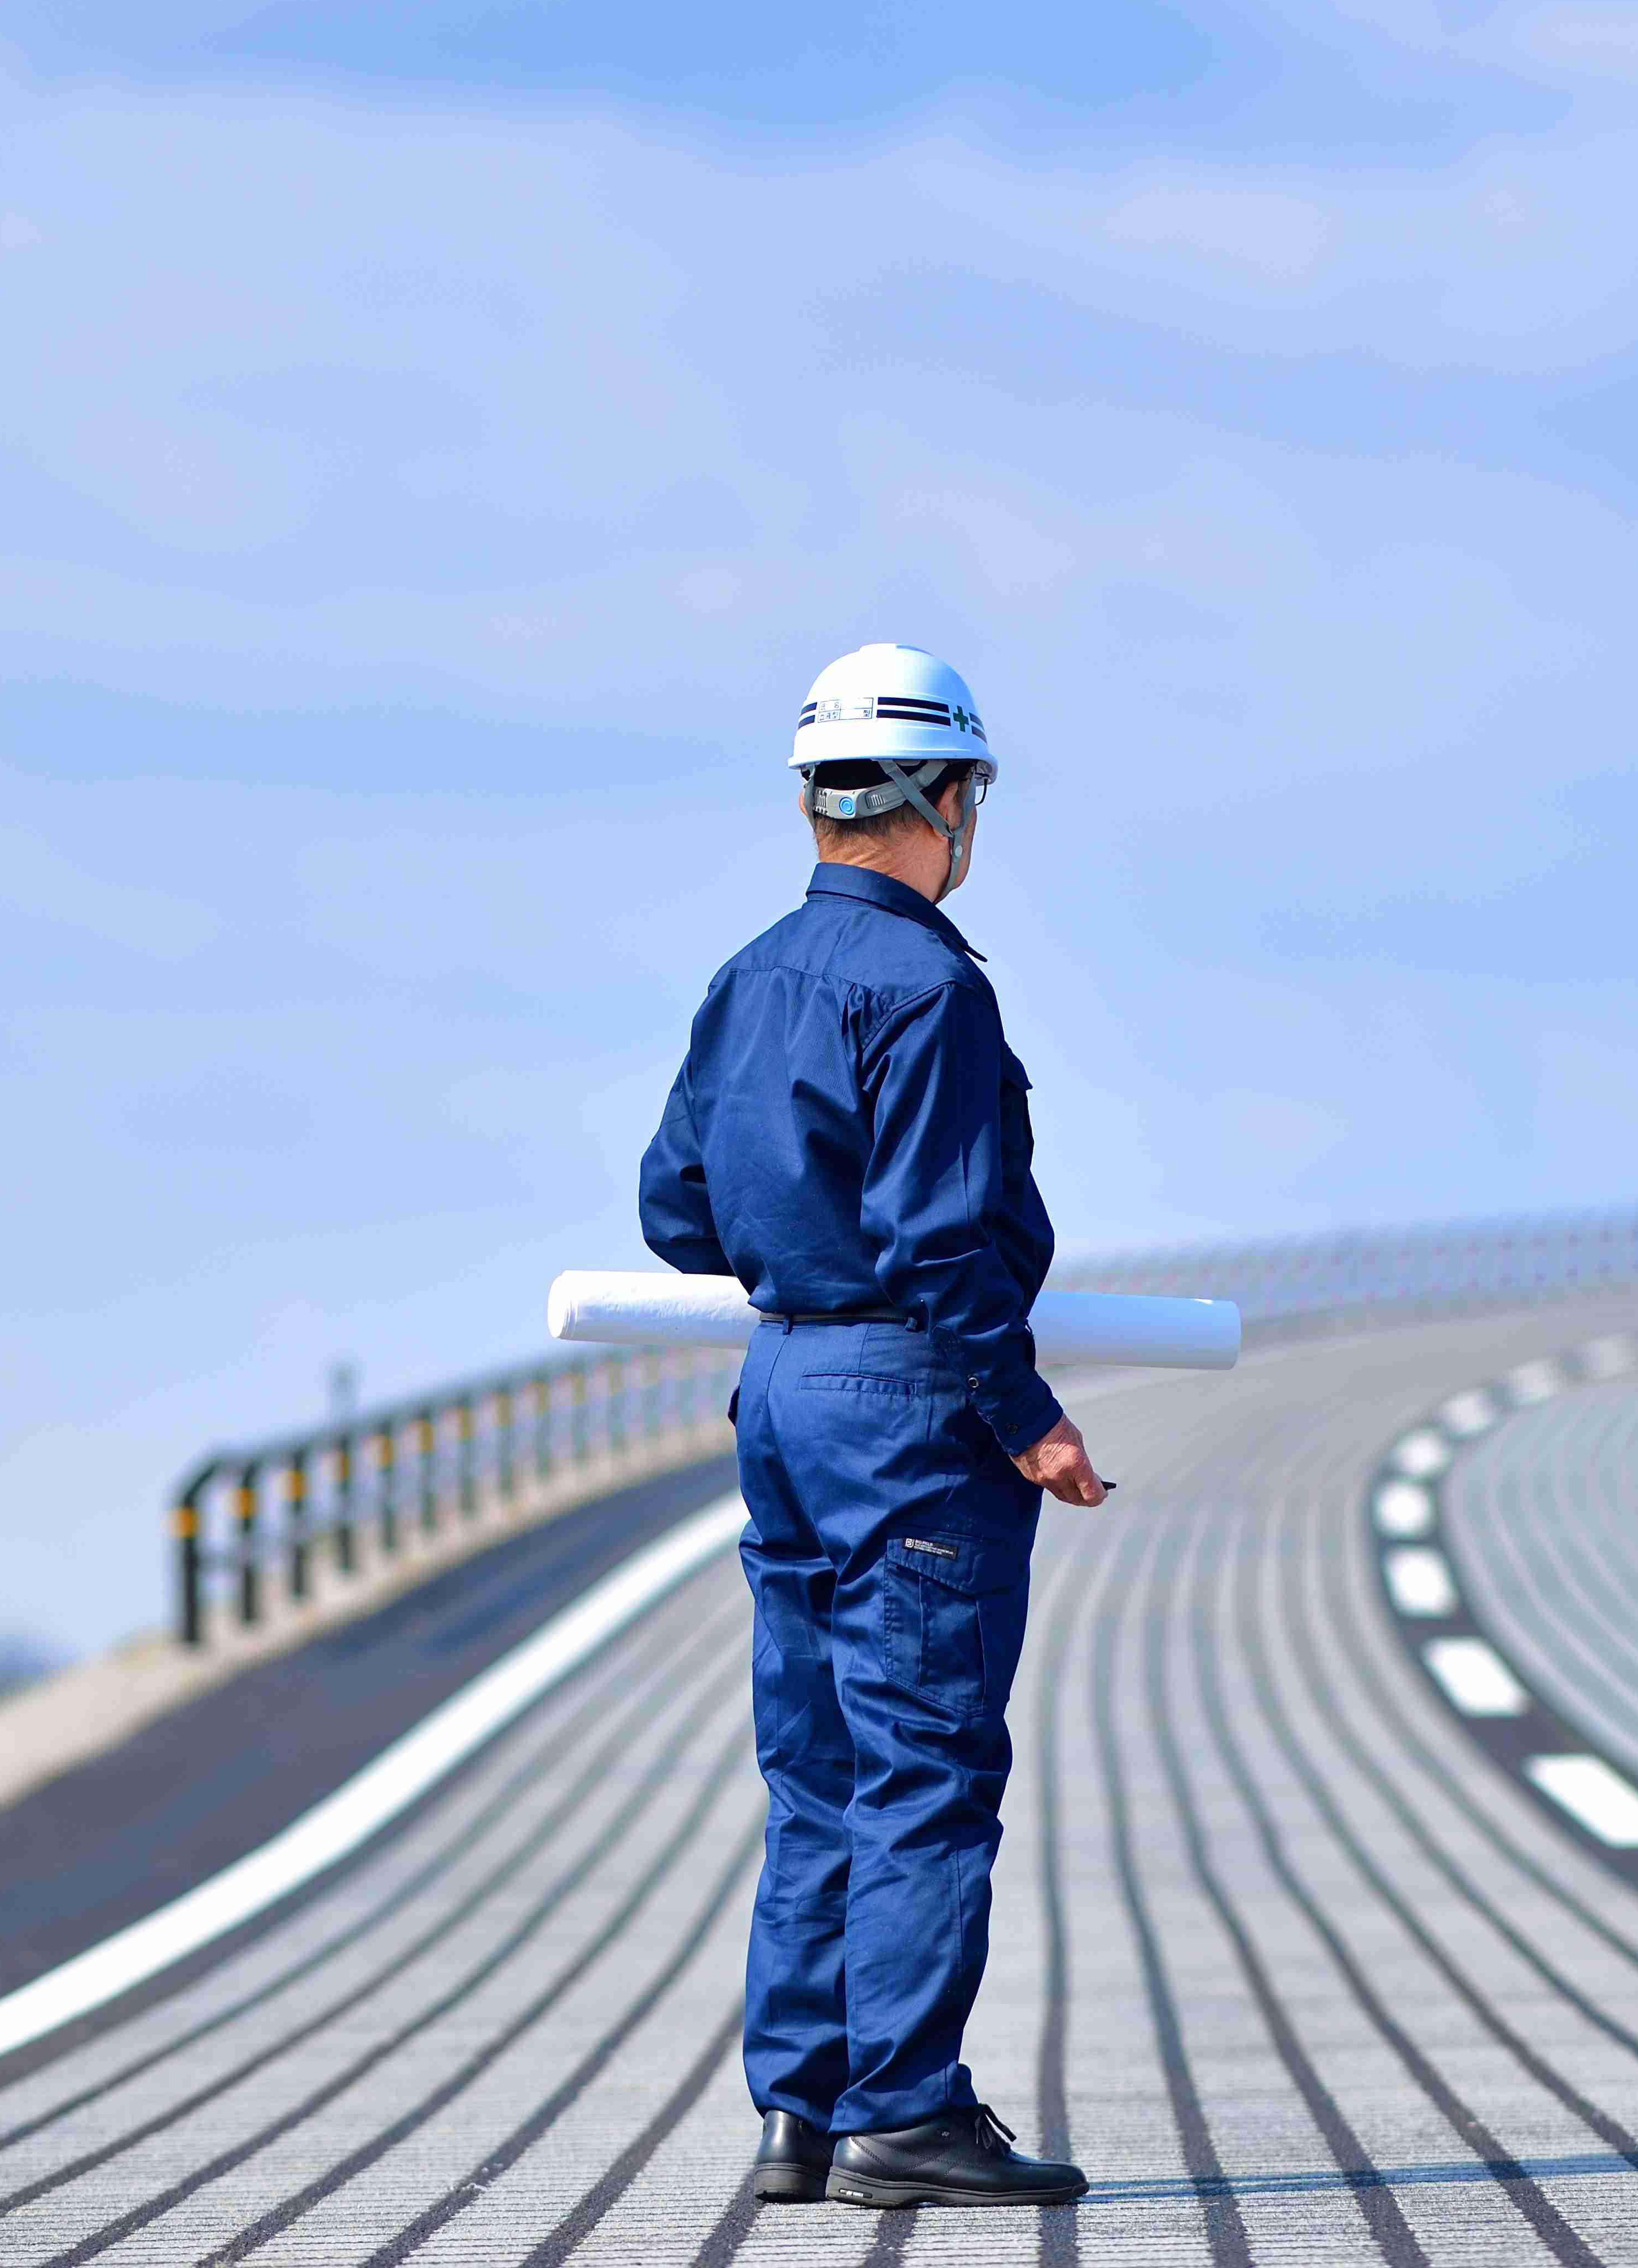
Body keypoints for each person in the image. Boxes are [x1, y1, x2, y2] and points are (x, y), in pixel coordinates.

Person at [637, 643, 1103, 2211]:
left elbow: (673, 1209)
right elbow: (945, 1241)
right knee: (924, 1765)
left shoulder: (749, 977)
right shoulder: (932, 989)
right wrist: (1028, 1420)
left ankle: (803, 2114)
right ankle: (906, 2107)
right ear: (943, 799)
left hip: (781, 1390)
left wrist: (800, 1245)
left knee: (818, 1765)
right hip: (909, 1402)